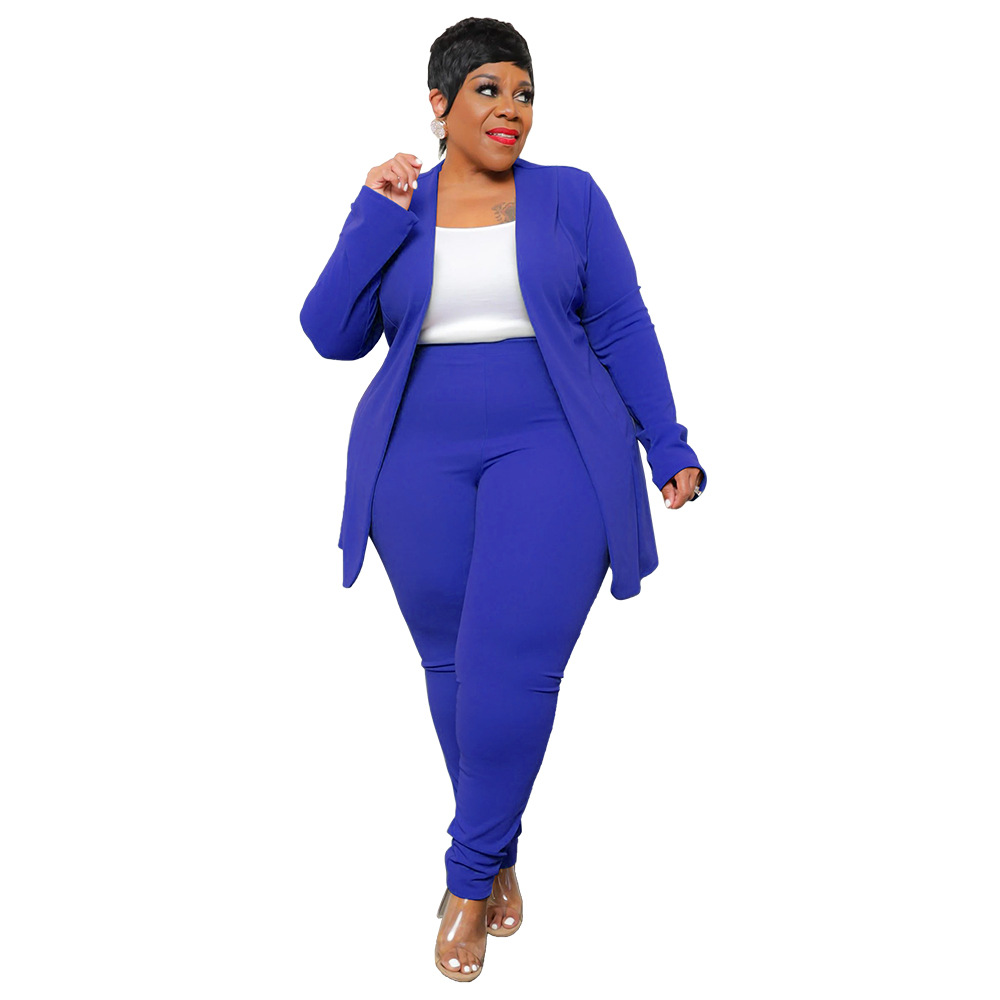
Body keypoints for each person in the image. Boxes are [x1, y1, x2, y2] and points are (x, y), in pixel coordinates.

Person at [298, 17, 706, 982]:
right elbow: (329, 334)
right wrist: (371, 214)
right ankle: (501, 845)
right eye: (489, 90)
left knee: (509, 663)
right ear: (439, 105)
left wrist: (667, 440)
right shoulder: (400, 204)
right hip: (415, 458)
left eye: (524, 93)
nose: (511, 109)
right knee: (452, 667)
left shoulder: (571, 197)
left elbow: (621, 322)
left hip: (553, 440)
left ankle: (468, 881)